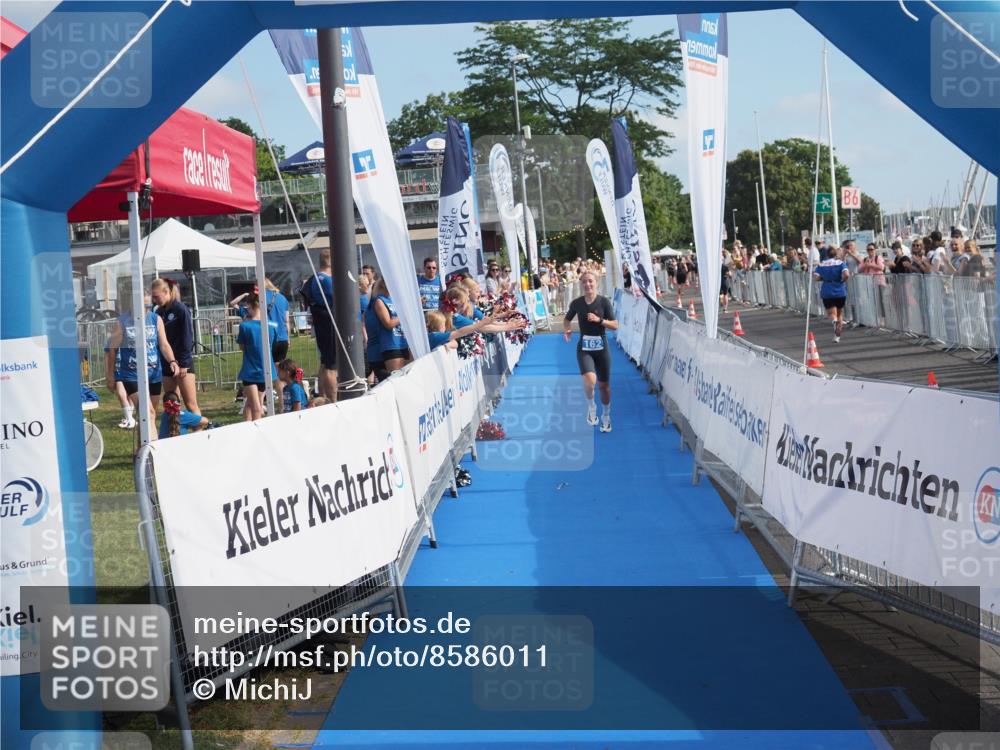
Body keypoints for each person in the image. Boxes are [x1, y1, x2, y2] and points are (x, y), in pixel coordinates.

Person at [107, 291, 181, 435]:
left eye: (148, 305)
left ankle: (141, 450)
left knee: (149, 416)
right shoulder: (122, 322)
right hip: (131, 374)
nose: (146, 308)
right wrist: (110, 376)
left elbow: (164, 344)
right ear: (133, 304)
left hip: (153, 373)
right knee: (148, 412)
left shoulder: (156, 319)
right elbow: (112, 350)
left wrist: (172, 360)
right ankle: (152, 450)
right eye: (143, 305)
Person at [563, 270, 618, 433]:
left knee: (604, 386)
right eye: (584, 282)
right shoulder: (577, 303)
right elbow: (567, 319)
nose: (587, 284)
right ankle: (591, 407)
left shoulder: (604, 302)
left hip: (602, 348)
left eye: (590, 281)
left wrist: (599, 320)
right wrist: (567, 330)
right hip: (584, 348)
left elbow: (615, 325)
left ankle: (606, 416)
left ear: (596, 283)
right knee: (590, 381)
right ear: (581, 284)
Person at [151, 278, 199, 415]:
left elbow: (187, 337)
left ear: (166, 292)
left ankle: (200, 432)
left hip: (182, 363)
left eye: (157, 296)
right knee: (171, 402)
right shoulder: (159, 312)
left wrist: (183, 363)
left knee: (191, 404)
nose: (155, 300)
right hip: (167, 363)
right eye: (153, 297)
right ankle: (174, 431)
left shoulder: (180, 309)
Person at [236, 292, 278, 421]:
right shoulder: (272, 325)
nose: (247, 308)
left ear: (253, 305)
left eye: (248, 306)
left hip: (255, 370)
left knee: (254, 405)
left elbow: (242, 347)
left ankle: (251, 430)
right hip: (263, 371)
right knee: (255, 405)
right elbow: (272, 345)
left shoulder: (245, 326)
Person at [304, 250, 338, 401]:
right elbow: (338, 299)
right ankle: (333, 400)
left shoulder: (313, 279)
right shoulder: (328, 280)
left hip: (321, 322)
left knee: (325, 361)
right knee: (331, 364)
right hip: (329, 322)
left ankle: (323, 396)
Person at [372, 281, 410, 373]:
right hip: (391, 345)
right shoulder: (379, 301)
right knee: (397, 379)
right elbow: (388, 323)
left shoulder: (395, 300)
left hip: (403, 343)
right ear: (383, 284)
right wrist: (404, 315)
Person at [814, 246, 850, 343]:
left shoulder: (821, 265)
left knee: (831, 313)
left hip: (827, 290)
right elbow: (846, 274)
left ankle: (834, 321)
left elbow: (816, 277)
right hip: (840, 290)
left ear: (827, 254)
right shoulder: (841, 263)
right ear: (835, 254)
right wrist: (843, 280)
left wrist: (824, 279)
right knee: (839, 312)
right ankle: (837, 336)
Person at [425, 310, 494, 351]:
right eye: (443, 323)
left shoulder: (435, 335)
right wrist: (482, 323)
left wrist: (447, 345)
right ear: (439, 325)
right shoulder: (435, 336)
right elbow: (460, 332)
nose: (445, 326)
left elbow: (455, 343)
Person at [104, 337, 134, 428]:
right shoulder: (111, 340)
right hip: (117, 370)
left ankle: (129, 418)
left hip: (130, 370)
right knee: (121, 395)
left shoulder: (131, 338)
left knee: (130, 395)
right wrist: (108, 373)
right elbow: (107, 356)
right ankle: (129, 419)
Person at [363, 279, 387, 384]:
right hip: (379, 351)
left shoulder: (371, 306)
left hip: (376, 351)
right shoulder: (377, 304)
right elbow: (387, 324)